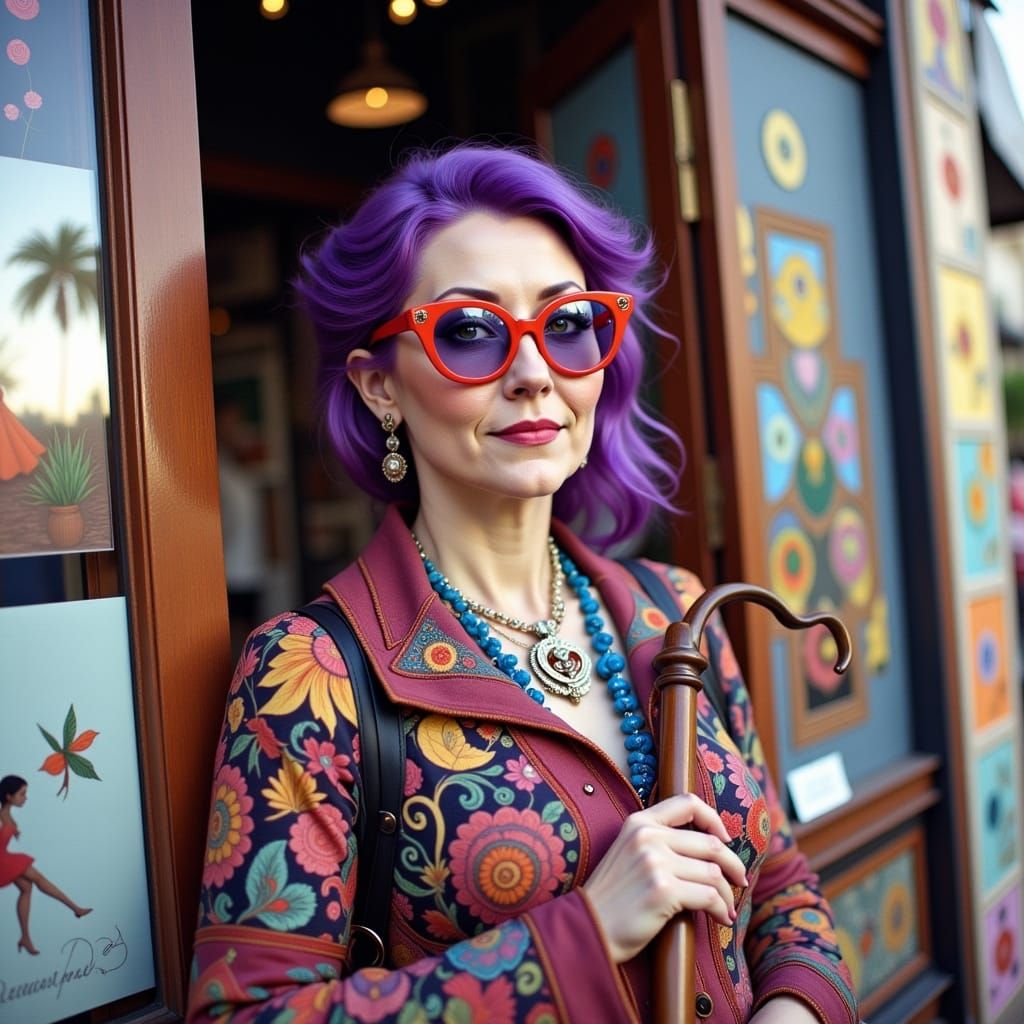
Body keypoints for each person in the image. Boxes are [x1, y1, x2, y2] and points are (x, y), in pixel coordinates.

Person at [187, 144, 857, 1023]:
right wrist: (588, 931)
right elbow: (245, 1013)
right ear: (380, 385)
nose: (536, 372)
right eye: (470, 331)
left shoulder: (676, 610)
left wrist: (793, 1010)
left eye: (569, 322)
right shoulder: (307, 674)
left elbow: (780, 884)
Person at [0, 775, 91, 955]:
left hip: (4, 859)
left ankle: (25, 937)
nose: (25, 798)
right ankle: (75, 908)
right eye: (22, 794)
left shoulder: (7, 814)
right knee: (39, 879)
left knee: (26, 888)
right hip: (2, 861)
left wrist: (13, 831)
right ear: (9, 796)